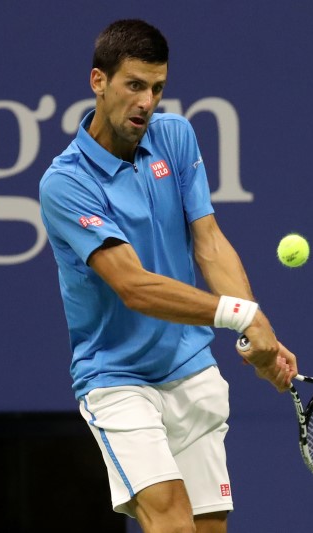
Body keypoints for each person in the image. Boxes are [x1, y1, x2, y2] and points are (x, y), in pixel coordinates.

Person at [39, 19, 298, 533]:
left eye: (157, 88)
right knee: (172, 522)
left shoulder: (175, 137)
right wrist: (240, 313)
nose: (146, 102)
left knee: (207, 529)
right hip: (117, 379)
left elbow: (209, 242)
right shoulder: (65, 183)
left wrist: (255, 330)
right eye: (134, 85)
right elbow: (133, 286)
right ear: (99, 82)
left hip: (190, 366)